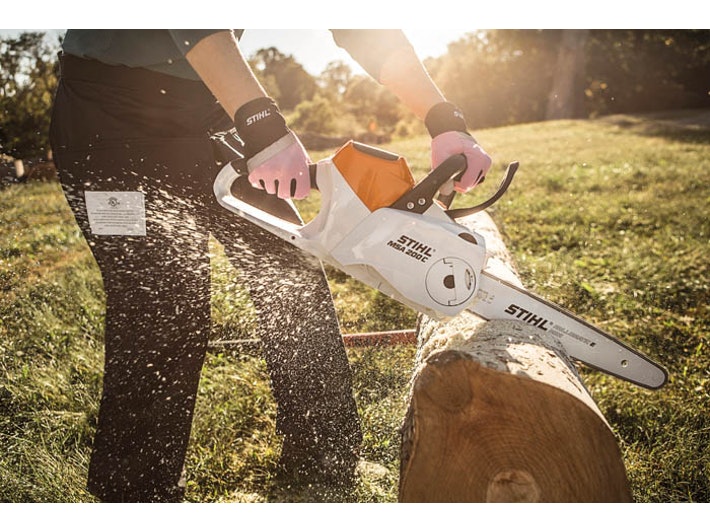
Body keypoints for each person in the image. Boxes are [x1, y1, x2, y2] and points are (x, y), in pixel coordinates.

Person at [49, 29, 492, 503]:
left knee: (290, 273)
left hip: (212, 107)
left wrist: (444, 119)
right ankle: (136, 493)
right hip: (111, 117)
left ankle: (325, 457)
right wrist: (262, 124)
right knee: (162, 307)